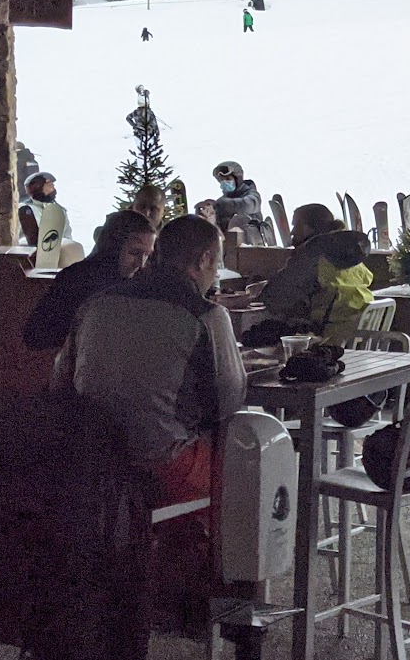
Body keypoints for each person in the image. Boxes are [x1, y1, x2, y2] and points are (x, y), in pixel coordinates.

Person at [69, 214, 245, 507]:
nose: (216, 273)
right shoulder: (207, 316)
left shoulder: (97, 304)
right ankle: (207, 537)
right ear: (204, 259)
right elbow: (227, 402)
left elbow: (63, 376)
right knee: (250, 462)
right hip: (160, 462)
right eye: (217, 264)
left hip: (87, 455)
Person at [22, 210, 156, 355]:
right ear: (113, 248)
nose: (141, 263)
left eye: (147, 255)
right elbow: (35, 335)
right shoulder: (75, 280)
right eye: (134, 253)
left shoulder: (142, 285)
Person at [257, 202, 376, 345]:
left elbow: (274, 297)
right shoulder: (352, 257)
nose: (292, 232)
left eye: (295, 225)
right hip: (355, 333)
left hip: (325, 337)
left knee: (259, 333)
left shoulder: (312, 257)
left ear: (307, 228)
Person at [211, 161, 272, 245]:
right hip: (229, 245)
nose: (224, 183)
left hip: (251, 244)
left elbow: (248, 205)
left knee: (240, 218)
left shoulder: (252, 195)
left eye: (228, 179)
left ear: (237, 179)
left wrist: (226, 204)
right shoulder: (221, 202)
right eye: (222, 180)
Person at [19, 170, 71, 245]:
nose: (54, 190)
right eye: (50, 186)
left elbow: (67, 237)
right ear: (38, 188)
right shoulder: (23, 209)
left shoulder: (60, 212)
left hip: (57, 249)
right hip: (27, 249)